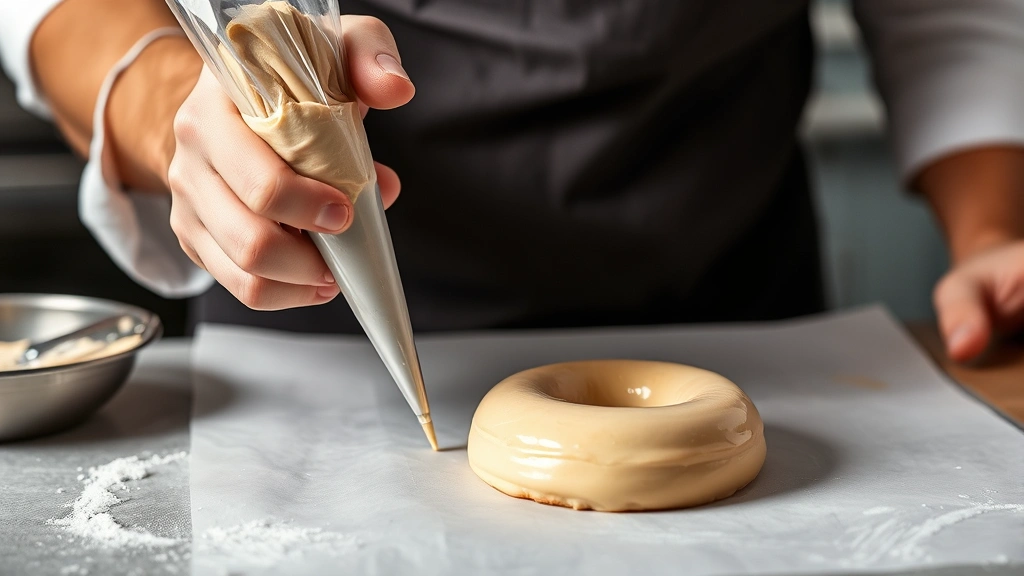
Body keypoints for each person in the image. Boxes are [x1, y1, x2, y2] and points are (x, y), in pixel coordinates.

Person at [2, 0, 1023, 363]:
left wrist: (987, 238)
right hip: (317, 329)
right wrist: (183, 95)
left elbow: (946, 8)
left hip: (740, 321)